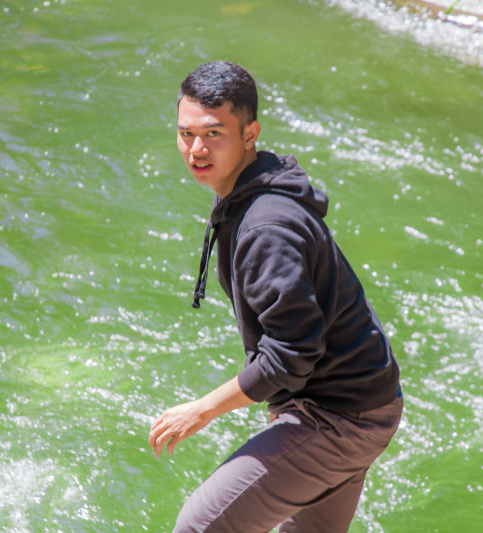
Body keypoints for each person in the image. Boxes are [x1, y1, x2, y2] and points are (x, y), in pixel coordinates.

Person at [149, 60, 402, 533]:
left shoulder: (266, 227)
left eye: (213, 134)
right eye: (186, 134)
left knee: (199, 526)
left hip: (340, 416)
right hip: (365, 401)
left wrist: (201, 410)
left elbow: (292, 354)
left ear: (250, 134)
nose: (196, 150)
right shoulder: (250, 191)